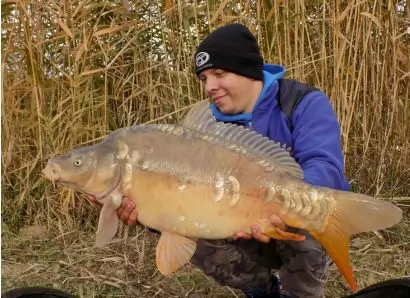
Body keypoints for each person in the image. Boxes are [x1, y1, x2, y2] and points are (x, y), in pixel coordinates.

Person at [104, 23, 351, 298]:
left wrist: (277, 201)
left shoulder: (302, 102)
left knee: (306, 217)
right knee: (192, 227)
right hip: (239, 227)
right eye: (203, 79)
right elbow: (180, 198)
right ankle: (260, 289)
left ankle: (299, 294)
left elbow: (327, 169)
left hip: (293, 226)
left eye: (218, 74)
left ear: (248, 70)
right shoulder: (204, 128)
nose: (209, 86)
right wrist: (148, 214)